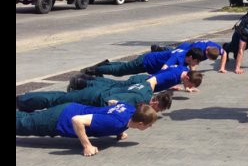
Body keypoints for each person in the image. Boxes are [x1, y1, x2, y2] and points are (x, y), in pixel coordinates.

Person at [16, 102, 159, 157]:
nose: (150, 126)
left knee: (27, 117)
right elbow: (77, 120)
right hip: (60, 119)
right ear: (140, 123)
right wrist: (87, 146)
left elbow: (112, 103)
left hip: (69, 107)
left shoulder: (130, 109)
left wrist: (119, 132)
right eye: (149, 124)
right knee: (22, 125)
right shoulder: (115, 123)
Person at [17, 82, 173, 113]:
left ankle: (25, 102)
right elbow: (112, 103)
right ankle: (21, 101)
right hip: (91, 98)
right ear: (154, 101)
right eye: (158, 109)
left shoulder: (145, 92)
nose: (156, 112)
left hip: (96, 93)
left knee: (58, 98)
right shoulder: (138, 102)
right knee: (55, 100)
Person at [81, 47, 205, 77]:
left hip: (148, 64)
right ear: (190, 57)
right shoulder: (178, 55)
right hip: (146, 61)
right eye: (196, 61)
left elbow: (189, 70)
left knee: (124, 67)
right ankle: (93, 70)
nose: (196, 64)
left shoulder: (185, 55)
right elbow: (165, 67)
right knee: (120, 71)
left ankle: (104, 64)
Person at [68, 66, 203, 94]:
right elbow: (154, 81)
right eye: (188, 84)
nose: (187, 86)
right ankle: (82, 81)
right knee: (113, 86)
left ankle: (85, 80)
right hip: (140, 82)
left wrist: (186, 88)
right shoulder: (174, 76)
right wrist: (147, 96)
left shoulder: (182, 70)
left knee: (113, 85)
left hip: (143, 80)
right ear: (186, 77)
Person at [151, 40, 227, 73]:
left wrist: (222, 67)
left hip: (189, 49)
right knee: (171, 53)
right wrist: (193, 75)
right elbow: (192, 63)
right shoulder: (199, 48)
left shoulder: (216, 47)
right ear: (206, 51)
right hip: (183, 48)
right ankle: (159, 49)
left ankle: (161, 49)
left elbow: (224, 53)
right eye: (208, 57)